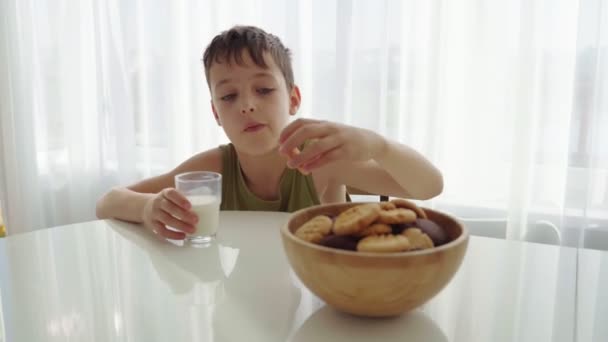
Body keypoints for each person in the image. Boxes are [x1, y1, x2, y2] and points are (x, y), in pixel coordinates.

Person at [96, 25, 443, 240]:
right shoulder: (215, 168)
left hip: (323, 303)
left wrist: (378, 145)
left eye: (263, 90)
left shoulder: (319, 160)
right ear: (216, 113)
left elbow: (429, 187)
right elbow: (108, 202)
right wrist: (148, 209)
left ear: (293, 99)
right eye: (229, 96)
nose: (246, 105)